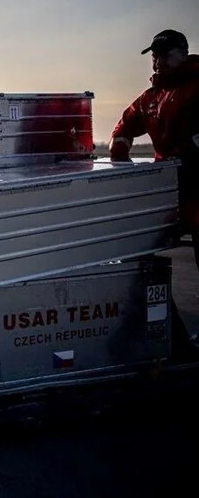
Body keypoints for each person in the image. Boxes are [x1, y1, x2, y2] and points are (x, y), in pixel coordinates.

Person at [109, 29, 199, 359]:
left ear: (182, 54)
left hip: (195, 189)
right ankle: (161, 332)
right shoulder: (151, 97)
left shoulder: (196, 86)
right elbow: (125, 126)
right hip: (166, 190)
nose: (157, 61)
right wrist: (121, 155)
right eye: (154, 56)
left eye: (163, 55)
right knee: (139, 251)